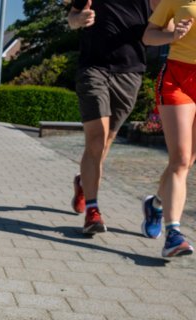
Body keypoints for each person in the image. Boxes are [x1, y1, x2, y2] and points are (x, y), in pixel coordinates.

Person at [67, 0, 159, 234]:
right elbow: (72, 17)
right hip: (93, 68)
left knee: (106, 141)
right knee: (96, 139)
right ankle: (92, 210)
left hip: (130, 73)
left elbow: (162, 20)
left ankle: (82, 182)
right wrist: (79, 20)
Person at [142, 2, 196, 257]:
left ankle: (155, 204)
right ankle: (173, 234)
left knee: (187, 161)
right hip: (178, 79)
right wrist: (173, 35)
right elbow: (149, 35)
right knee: (181, 159)